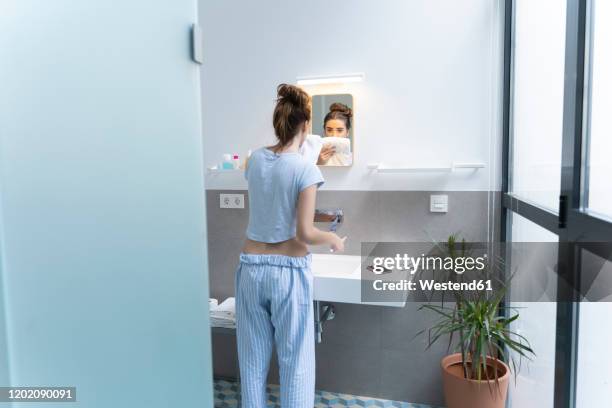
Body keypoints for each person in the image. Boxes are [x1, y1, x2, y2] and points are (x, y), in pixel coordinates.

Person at [236, 83, 347, 408]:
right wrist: (333, 238)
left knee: (252, 364)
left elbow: (273, 182)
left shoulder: (255, 159)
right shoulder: (305, 169)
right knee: (295, 364)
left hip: (250, 270)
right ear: (305, 125)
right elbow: (305, 233)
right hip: (287, 274)